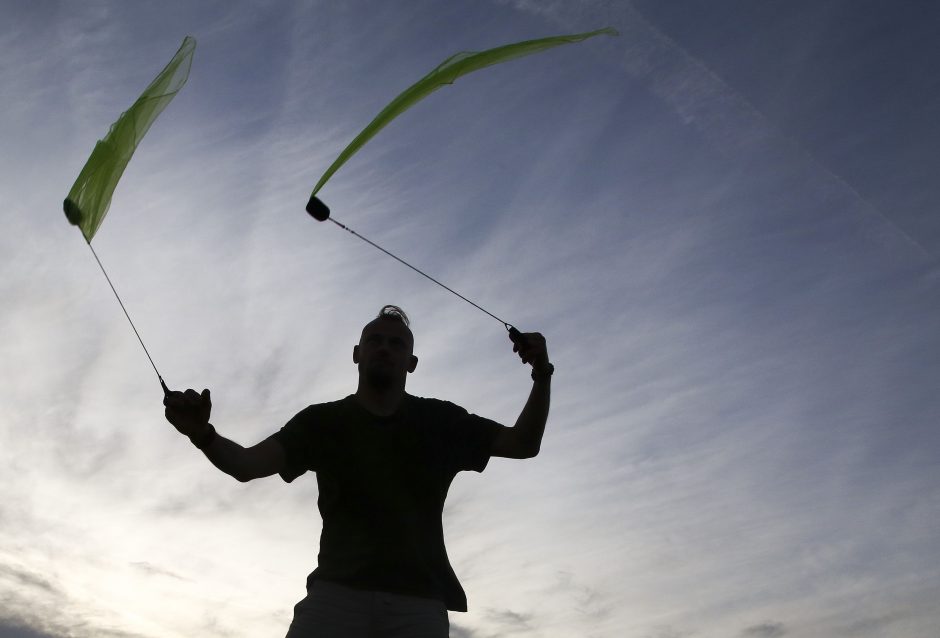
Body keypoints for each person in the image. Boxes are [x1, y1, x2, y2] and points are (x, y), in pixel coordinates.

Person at [164, 305, 552, 637]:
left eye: (396, 343)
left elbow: (523, 444)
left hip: (418, 604)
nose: (385, 348)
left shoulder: (441, 420)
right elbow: (246, 465)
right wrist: (203, 434)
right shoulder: (322, 421)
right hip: (335, 596)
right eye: (375, 341)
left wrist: (542, 373)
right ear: (357, 353)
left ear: (411, 363)